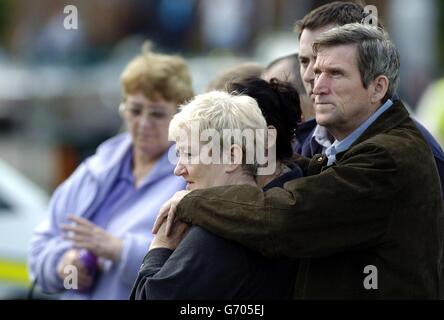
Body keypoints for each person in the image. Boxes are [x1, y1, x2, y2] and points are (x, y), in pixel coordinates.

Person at [154, 24, 444, 299]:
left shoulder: (389, 156)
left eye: (335, 74)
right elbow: (318, 180)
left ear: (378, 88)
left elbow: (284, 218)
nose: (317, 86)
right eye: (316, 72)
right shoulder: (362, 146)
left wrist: (193, 202)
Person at [28, 44, 194, 299]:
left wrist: (118, 250)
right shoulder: (96, 168)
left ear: (181, 118)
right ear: (123, 109)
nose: (144, 123)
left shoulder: (189, 179)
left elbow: (188, 268)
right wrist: (62, 265)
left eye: (158, 114)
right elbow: (40, 248)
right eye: (135, 110)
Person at [131, 79, 303, 299]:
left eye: (190, 154)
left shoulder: (219, 232)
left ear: (233, 156)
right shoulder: (272, 217)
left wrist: (160, 246)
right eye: (179, 154)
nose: (178, 169)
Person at [294, 2, 444, 197]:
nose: (309, 76)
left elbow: (294, 211)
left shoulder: (410, 153)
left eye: (335, 70)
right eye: (305, 62)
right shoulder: (304, 137)